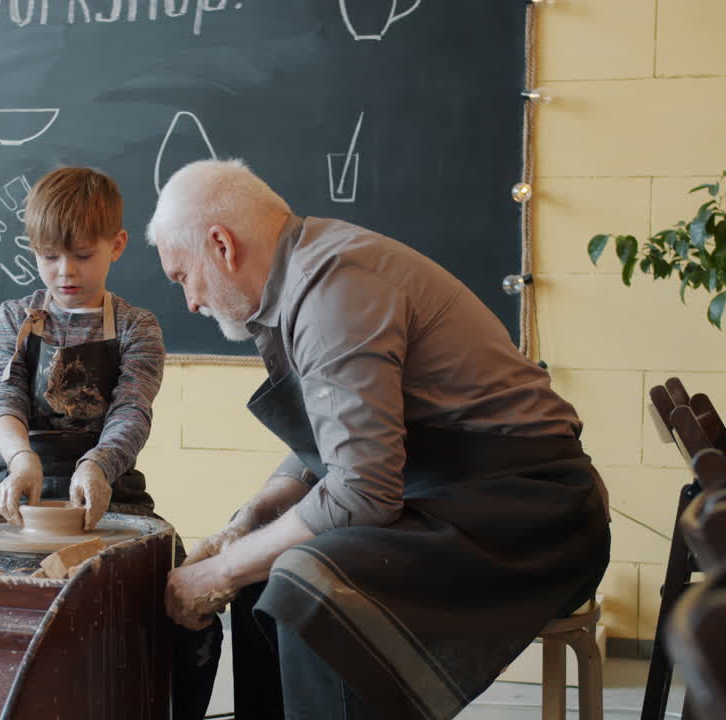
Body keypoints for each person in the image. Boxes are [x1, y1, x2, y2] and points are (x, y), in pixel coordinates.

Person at [148, 159, 611, 719]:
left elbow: (362, 492)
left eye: (183, 277)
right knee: (262, 563)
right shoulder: (306, 275)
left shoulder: (333, 286)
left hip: (536, 515)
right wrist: (253, 516)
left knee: (308, 582)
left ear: (221, 245)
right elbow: (336, 444)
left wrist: (218, 571)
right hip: (455, 496)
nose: (191, 302)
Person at [0, 166, 219, 720]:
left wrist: (100, 466)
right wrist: (20, 458)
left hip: (108, 486)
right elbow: (3, 398)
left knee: (190, 608)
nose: (65, 272)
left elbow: (132, 409)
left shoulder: (136, 326)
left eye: (82, 255)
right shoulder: (14, 318)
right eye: (50, 256)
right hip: (17, 483)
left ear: (118, 245)